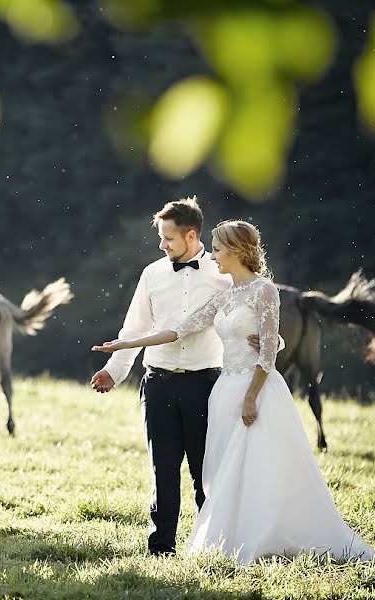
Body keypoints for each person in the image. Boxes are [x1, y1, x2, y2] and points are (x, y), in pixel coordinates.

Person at [93, 220, 375, 563]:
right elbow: (178, 331)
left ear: (236, 251)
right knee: (223, 470)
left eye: (216, 248)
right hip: (224, 390)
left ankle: (269, 534)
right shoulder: (223, 296)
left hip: (256, 390)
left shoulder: (266, 291)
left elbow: (270, 350)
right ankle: (230, 538)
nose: (212, 255)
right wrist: (127, 343)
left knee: (262, 465)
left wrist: (250, 395)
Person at [90, 196, 258, 556]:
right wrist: (114, 370)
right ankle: (161, 547)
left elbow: (249, 315)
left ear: (191, 235)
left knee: (204, 470)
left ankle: (210, 543)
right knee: (162, 469)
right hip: (158, 383)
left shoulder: (222, 273)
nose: (161, 244)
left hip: (205, 384)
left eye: (168, 238)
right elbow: (135, 327)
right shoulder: (151, 274)